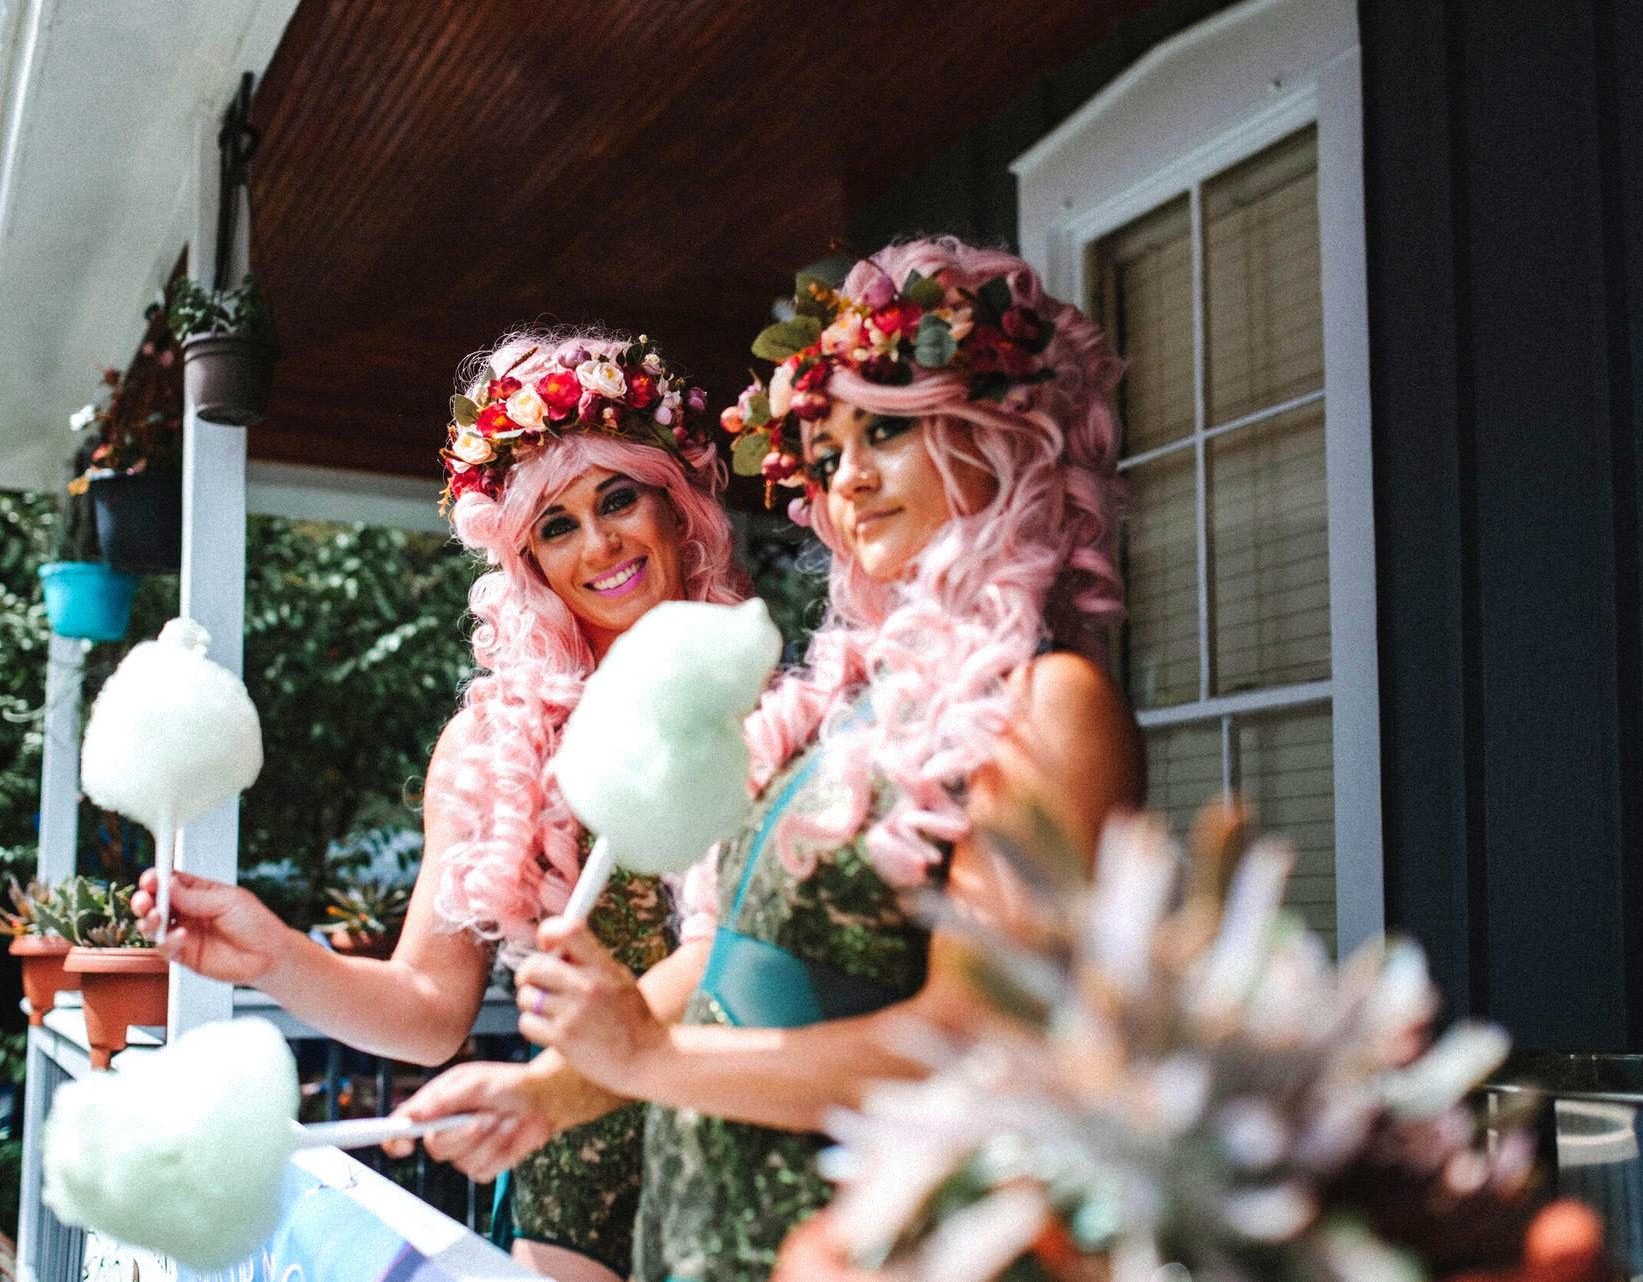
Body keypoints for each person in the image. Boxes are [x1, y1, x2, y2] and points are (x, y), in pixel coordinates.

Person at [393, 237, 1146, 1282]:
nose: (853, 483)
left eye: (887, 429)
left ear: (999, 432)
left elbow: (978, 1035)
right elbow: (725, 962)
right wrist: (550, 1090)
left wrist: (652, 1059)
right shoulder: (835, 716)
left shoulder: (1052, 704)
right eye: (829, 455)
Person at [132, 329, 747, 1282]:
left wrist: (551, 1085)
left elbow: (726, 959)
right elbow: (427, 1011)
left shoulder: (774, 707)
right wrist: (276, 954)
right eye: (556, 526)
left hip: (750, 1157)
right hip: (572, 1192)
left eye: (618, 498)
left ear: (677, 508)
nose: (601, 545)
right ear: (527, 562)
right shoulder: (493, 748)